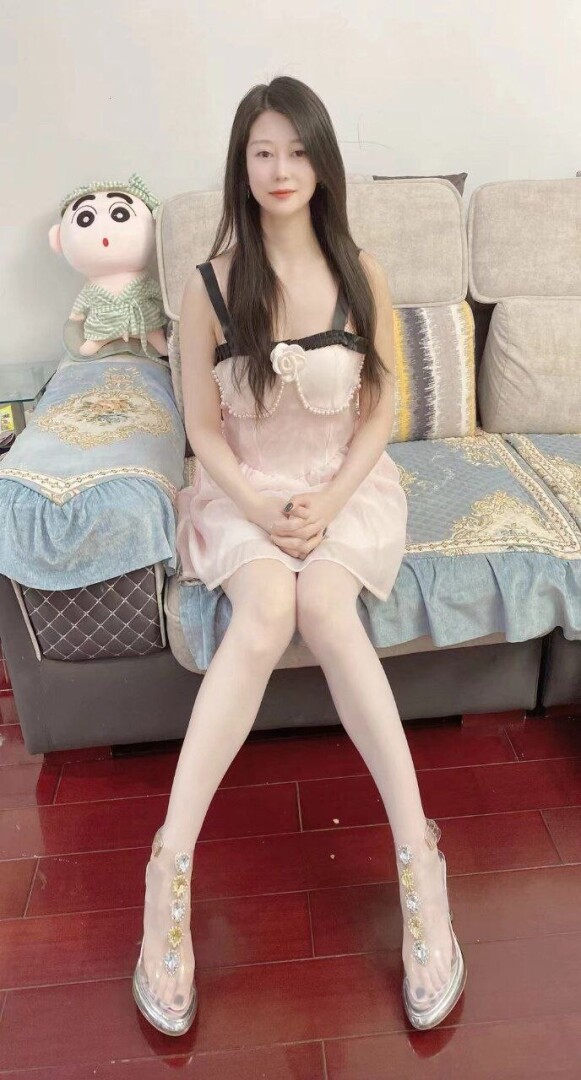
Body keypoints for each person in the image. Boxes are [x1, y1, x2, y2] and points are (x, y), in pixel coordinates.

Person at [132, 75, 466, 1037]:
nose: (281, 169)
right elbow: (202, 428)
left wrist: (328, 501)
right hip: (242, 493)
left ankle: (419, 863)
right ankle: (168, 872)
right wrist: (259, 508)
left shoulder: (360, 269)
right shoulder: (207, 285)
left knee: (321, 606)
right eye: (262, 151)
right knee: (268, 608)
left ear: (322, 163)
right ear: (241, 165)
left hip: (344, 488)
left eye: (297, 150)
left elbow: (380, 409)